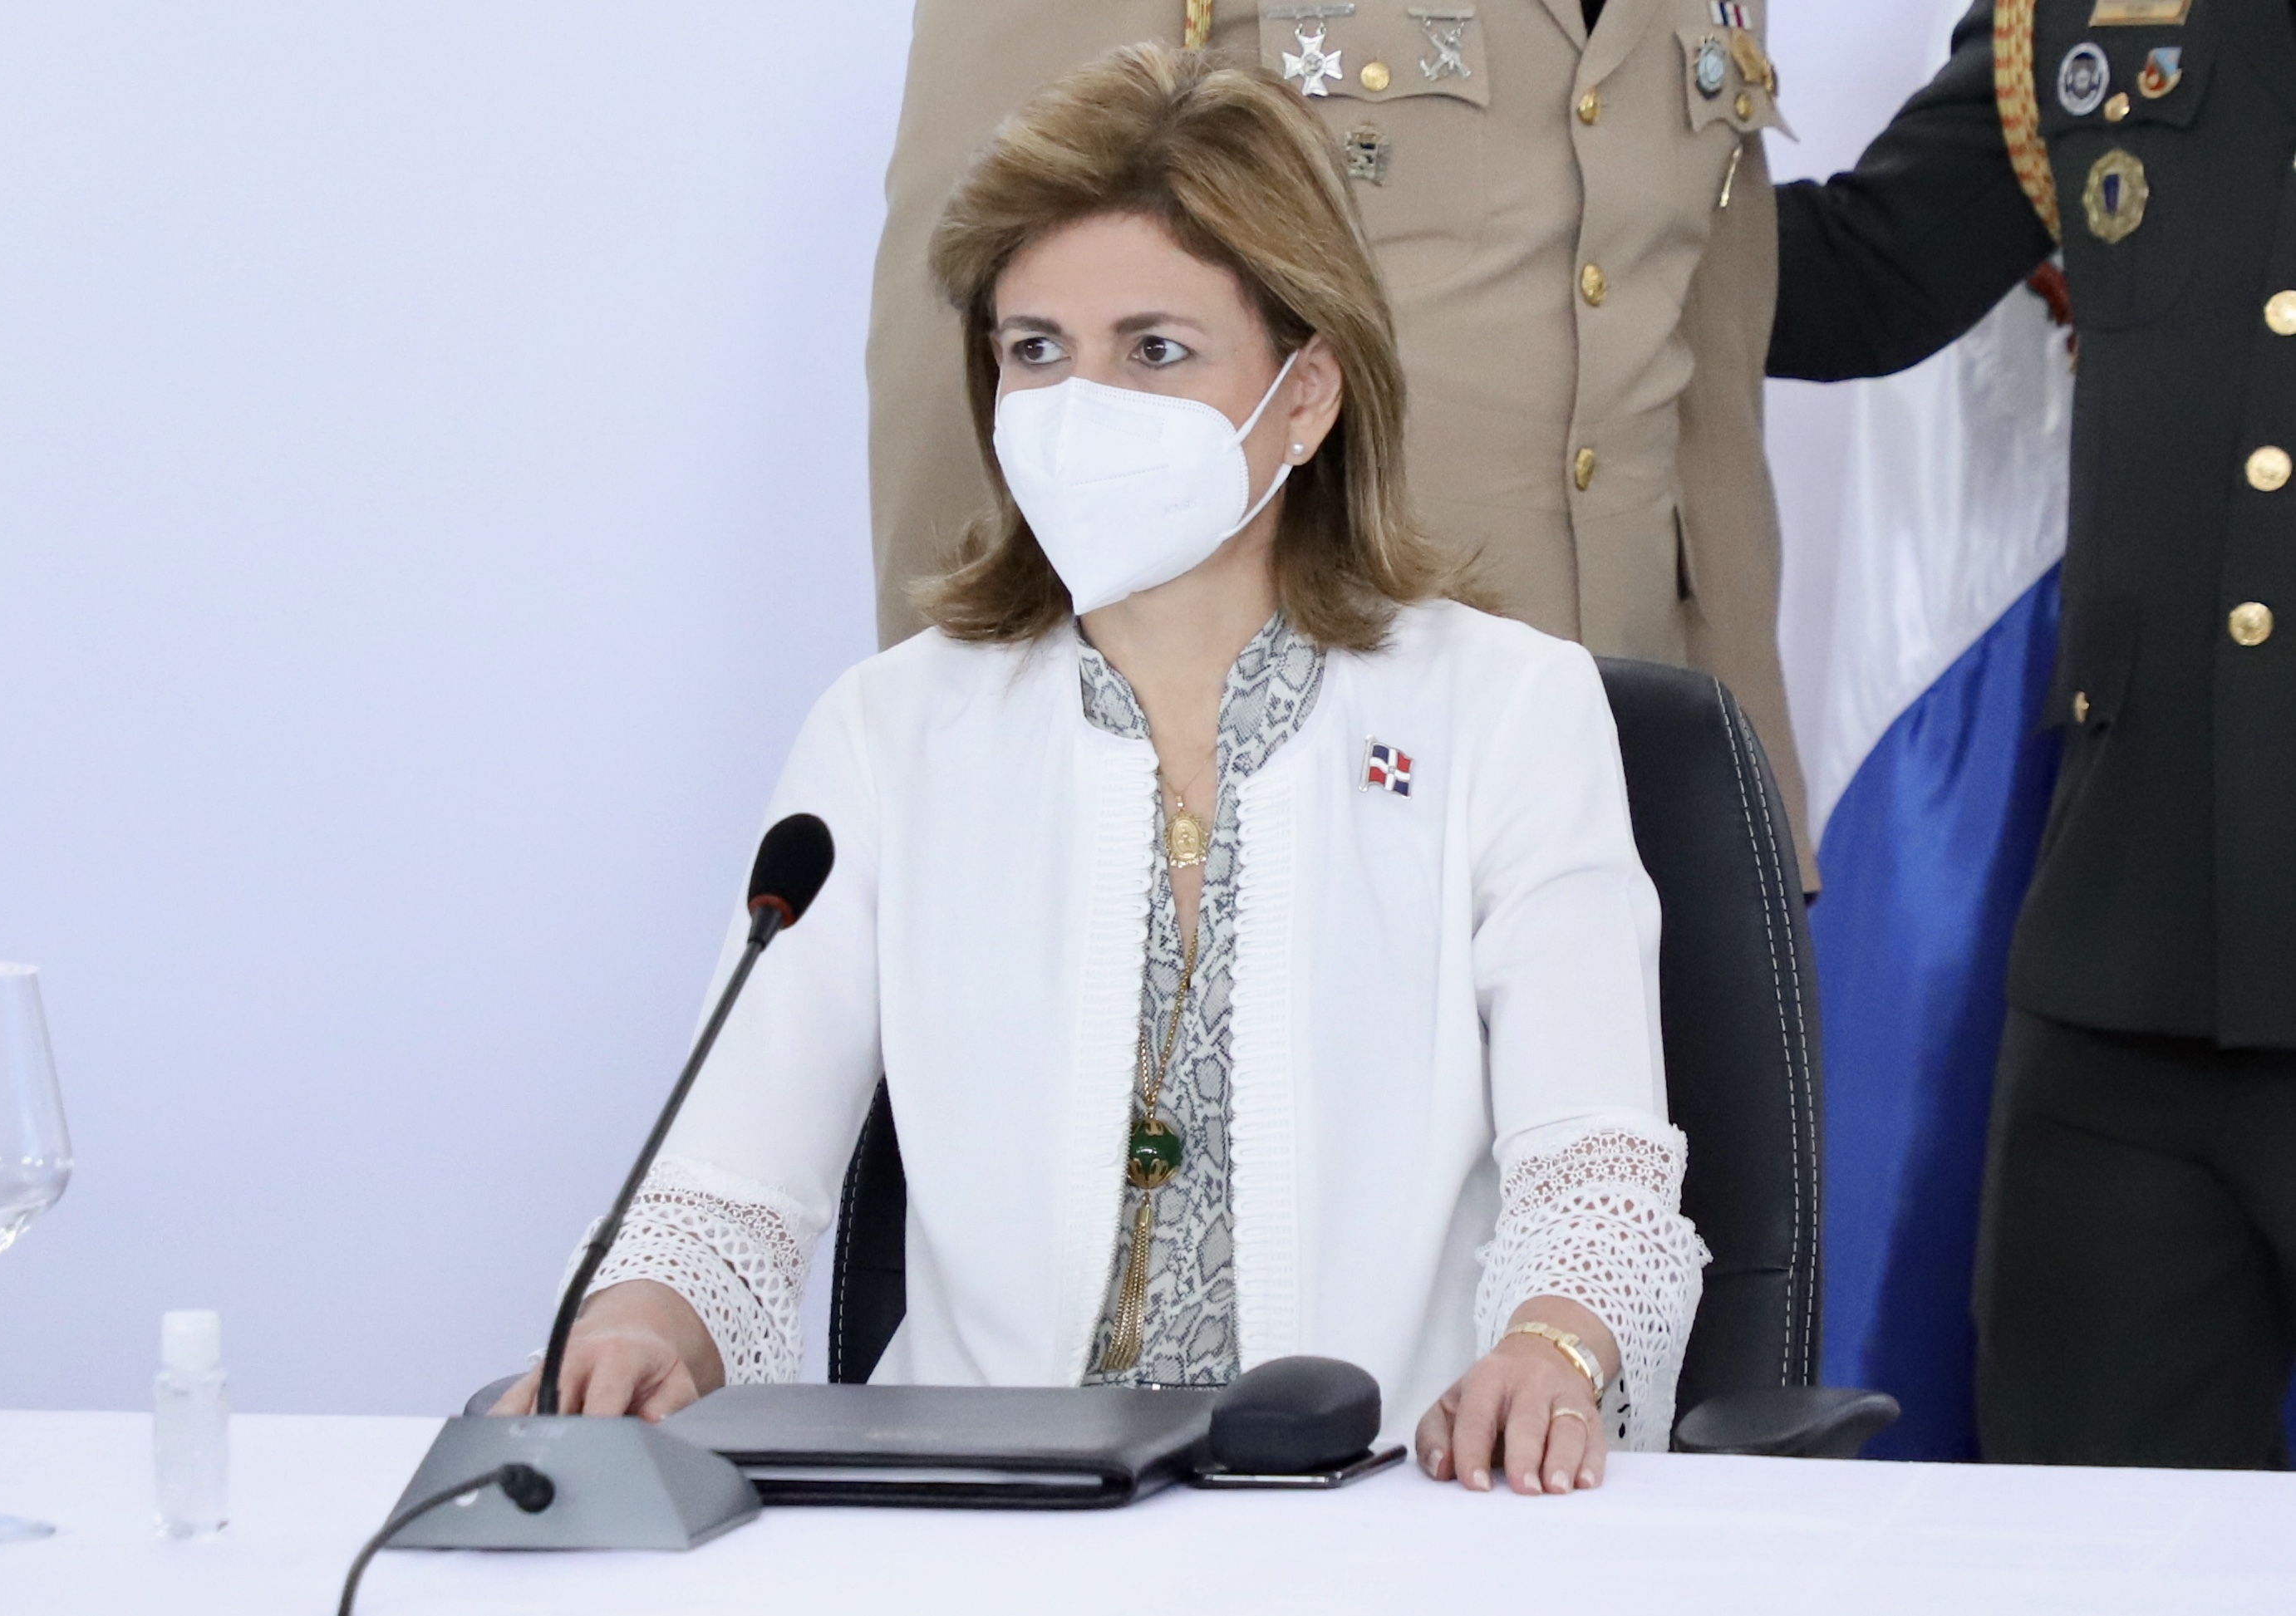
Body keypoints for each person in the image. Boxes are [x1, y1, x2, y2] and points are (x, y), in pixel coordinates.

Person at [496, 47, 1708, 1492]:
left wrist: (1552, 1348)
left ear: (1307, 394)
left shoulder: (1509, 709)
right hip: (978, 1518)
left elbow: (1595, 1174)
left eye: (1154, 351)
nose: (1080, 404)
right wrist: (641, 1325)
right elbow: (725, 1194)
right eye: (1034, 351)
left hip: (1383, 1505)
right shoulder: (888, 731)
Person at [866, 0, 1817, 878]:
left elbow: (1708, 407)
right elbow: (979, 354)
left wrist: (1752, 819)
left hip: (1618, 779)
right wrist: (969, 787)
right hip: (1271, 783)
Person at [1770, 0, 2296, 1466]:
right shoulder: (2085, 20)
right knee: (2081, 1545)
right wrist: (1552, 185)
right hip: (2126, 987)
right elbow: (1862, 278)